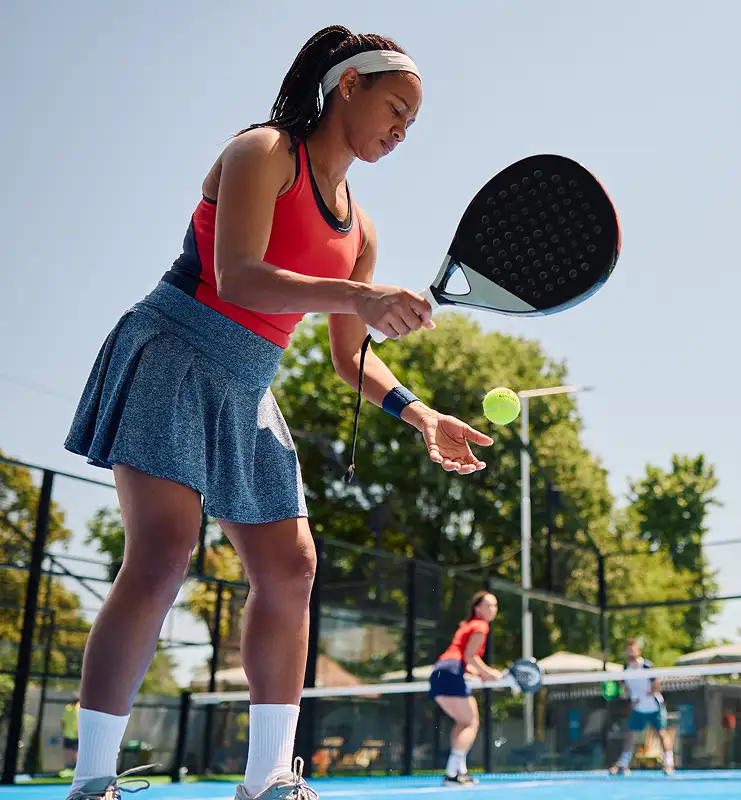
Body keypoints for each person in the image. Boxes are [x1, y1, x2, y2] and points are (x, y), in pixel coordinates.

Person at [62, 25, 494, 800]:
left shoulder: (361, 229)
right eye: (394, 107)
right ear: (349, 86)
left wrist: (423, 416)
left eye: (412, 123)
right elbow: (239, 278)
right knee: (162, 553)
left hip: (250, 383)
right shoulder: (261, 151)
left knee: (292, 566)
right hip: (176, 348)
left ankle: (267, 779)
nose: (400, 130)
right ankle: (92, 779)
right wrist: (362, 296)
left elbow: (344, 356)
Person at [429, 591, 501, 786]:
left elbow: (464, 660)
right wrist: (488, 673)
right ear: (477, 608)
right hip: (451, 670)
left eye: (495, 606)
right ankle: (452, 773)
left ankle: (460, 771)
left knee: (462, 722)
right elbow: (470, 657)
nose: (493, 609)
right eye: (489, 605)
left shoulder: (467, 626)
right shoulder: (480, 625)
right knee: (471, 722)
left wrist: (480, 673)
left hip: (439, 672)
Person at [608, 638, 674, 776]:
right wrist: (629, 698)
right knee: (630, 735)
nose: (631, 653)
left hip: (654, 707)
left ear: (638, 651)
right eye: (628, 650)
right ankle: (623, 765)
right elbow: (626, 690)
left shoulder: (647, 666)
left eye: (633, 650)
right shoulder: (625, 669)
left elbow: (657, 685)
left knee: (662, 733)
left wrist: (649, 694)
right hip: (638, 709)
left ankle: (669, 764)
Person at [61, 695, 80, 777]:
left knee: (73, 752)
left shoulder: (71, 707)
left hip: (73, 734)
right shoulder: (75, 708)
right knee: (72, 752)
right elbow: (63, 721)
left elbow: (63, 722)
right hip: (72, 734)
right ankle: (69, 769)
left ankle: (73, 769)